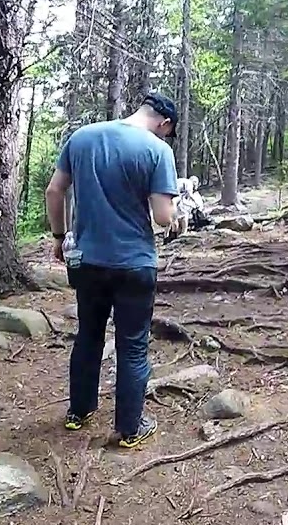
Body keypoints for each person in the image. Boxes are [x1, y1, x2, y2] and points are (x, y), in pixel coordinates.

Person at [44, 93, 184, 448]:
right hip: (134, 263)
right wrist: (177, 219)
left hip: (87, 261)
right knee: (133, 346)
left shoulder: (82, 137)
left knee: (88, 335)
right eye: (168, 132)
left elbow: (54, 191)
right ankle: (129, 428)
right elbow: (162, 216)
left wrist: (59, 237)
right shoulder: (157, 151)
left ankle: (79, 412)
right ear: (164, 123)